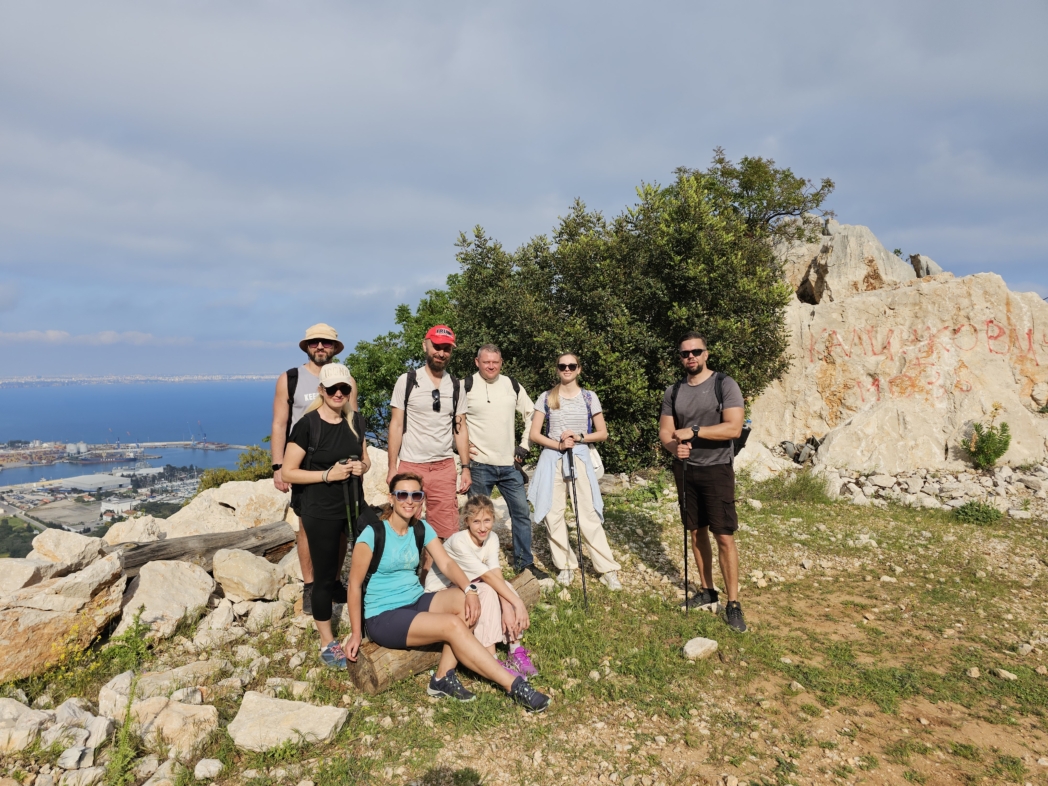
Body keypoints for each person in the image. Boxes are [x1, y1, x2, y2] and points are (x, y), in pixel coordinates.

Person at [344, 473, 550, 712]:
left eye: (416, 495)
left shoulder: (421, 528)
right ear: (392, 498)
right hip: (384, 614)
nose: (409, 501)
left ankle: (442, 678)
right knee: (453, 625)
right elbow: (355, 584)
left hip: (416, 599)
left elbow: (448, 564)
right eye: (402, 494)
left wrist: (470, 590)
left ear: (421, 499)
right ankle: (514, 684)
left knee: (474, 597)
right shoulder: (372, 533)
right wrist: (356, 633)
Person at [280, 363, 370, 666]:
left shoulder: (356, 421)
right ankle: (327, 641)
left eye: (344, 388)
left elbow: (365, 459)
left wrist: (361, 467)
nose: (339, 394)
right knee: (324, 576)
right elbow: (289, 471)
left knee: (376, 552)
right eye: (332, 389)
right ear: (322, 390)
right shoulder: (307, 425)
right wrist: (326, 476)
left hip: (354, 504)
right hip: (320, 510)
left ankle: (371, 619)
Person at [658, 331, 747, 633]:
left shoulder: (725, 384)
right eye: (685, 353)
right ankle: (707, 591)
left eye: (696, 351)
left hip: (717, 468)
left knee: (724, 535)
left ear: (706, 353)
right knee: (696, 532)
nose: (691, 357)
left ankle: (733, 603)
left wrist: (694, 431)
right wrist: (675, 448)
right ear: (680, 358)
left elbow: (733, 428)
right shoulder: (673, 391)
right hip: (685, 470)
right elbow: (666, 434)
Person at [270, 323, 357, 615]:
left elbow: (352, 423)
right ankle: (311, 585)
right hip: (304, 467)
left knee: (343, 526)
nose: (321, 347)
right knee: (306, 528)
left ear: (334, 348)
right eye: (315, 342)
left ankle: (332, 581)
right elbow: (280, 423)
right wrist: (278, 467)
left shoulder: (346, 379)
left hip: (341, 467)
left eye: (327, 343)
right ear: (307, 346)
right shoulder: (290, 378)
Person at [527, 353, 622, 590]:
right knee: (553, 513)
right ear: (557, 369)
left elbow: (602, 433)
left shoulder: (590, 397)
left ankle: (607, 568)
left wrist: (579, 437)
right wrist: (558, 445)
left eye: (571, 366)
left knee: (587, 513)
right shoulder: (546, 397)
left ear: (579, 369)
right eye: (562, 366)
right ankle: (566, 565)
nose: (567, 369)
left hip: (579, 457)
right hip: (552, 459)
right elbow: (535, 434)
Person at [424, 495, 537, 679]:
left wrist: (508, 607)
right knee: (484, 590)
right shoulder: (459, 541)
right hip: (441, 593)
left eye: (487, 520)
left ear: (493, 519)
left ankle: (515, 648)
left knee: (504, 585)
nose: (482, 527)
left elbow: (495, 573)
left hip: (465, 585)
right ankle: (490, 657)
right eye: (476, 521)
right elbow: (486, 577)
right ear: (467, 521)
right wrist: (517, 603)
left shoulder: (491, 538)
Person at [386, 325, 471, 543]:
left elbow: (460, 428)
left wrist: (466, 468)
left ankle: (433, 576)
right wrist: (391, 467)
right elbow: (396, 425)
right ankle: (405, 575)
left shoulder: (456, 386)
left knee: (445, 532)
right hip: (411, 465)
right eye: (437, 347)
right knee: (403, 527)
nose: (441, 353)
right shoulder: (407, 381)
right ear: (425, 345)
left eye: (446, 349)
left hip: (444, 467)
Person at [464, 343, 539, 574]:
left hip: (509, 464)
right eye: (486, 362)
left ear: (501, 362)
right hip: (478, 465)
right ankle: (476, 566)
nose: (491, 366)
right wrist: (460, 446)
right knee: (476, 517)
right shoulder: (464, 386)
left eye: (495, 362)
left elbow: (533, 413)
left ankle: (524, 564)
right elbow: (448, 417)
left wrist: (525, 444)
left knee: (521, 514)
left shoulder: (512, 385)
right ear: (477, 362)